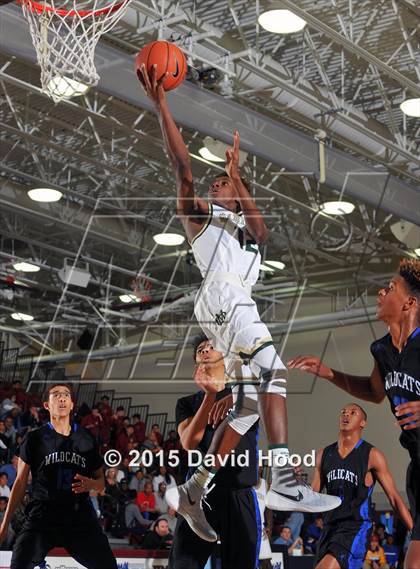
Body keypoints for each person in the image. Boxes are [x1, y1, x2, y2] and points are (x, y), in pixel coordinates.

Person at [139, 62, 339, 542]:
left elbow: (263, 229)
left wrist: (239, 177)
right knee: (276, 373)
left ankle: (193, 489)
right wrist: (163, 105)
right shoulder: (203, 222)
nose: (214, 184)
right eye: (215, 183)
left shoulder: (247, 235)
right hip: (223, 296)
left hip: (232, 302)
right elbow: (183, 170)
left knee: (248, 407)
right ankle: (285, 482)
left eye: (221, 184)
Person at [289, 259, 420, 569]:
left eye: (390, 288)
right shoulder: (383, 350)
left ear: (410, 303)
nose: (380, 291)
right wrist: (329, 373)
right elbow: (375, 392)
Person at [168, 334, 263, 569]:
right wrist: (210, 395)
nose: (206, 350)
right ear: (196, 363)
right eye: (200, 349)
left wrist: (234, 393)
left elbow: (268, 392)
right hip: (200, 494)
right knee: (183, 565)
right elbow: (189, 442)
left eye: (212, 346)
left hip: (240, 491)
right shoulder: (187, 402)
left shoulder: (247, 392)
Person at [0, 382, 118, 569]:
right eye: (56, 394)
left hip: (79, 517)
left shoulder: (87, 438)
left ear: (72, 404)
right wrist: (4, 524)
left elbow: (101, 483)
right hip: (43, 515)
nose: (62, 397)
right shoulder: (35, 438)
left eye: (66, 395)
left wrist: (92, 485)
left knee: (108, 566)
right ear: (47, 405)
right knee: (18, 565)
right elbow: (20, 483)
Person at [311, 403, 412, 569]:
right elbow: (312, 497)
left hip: (355, 528)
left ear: (362, 423)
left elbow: (394, 497)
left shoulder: (372, 455)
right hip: (329, 528)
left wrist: (414, 532)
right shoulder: (324, 454)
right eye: (343, 412)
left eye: (352, 412)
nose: (346, 415)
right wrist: (295, 483)